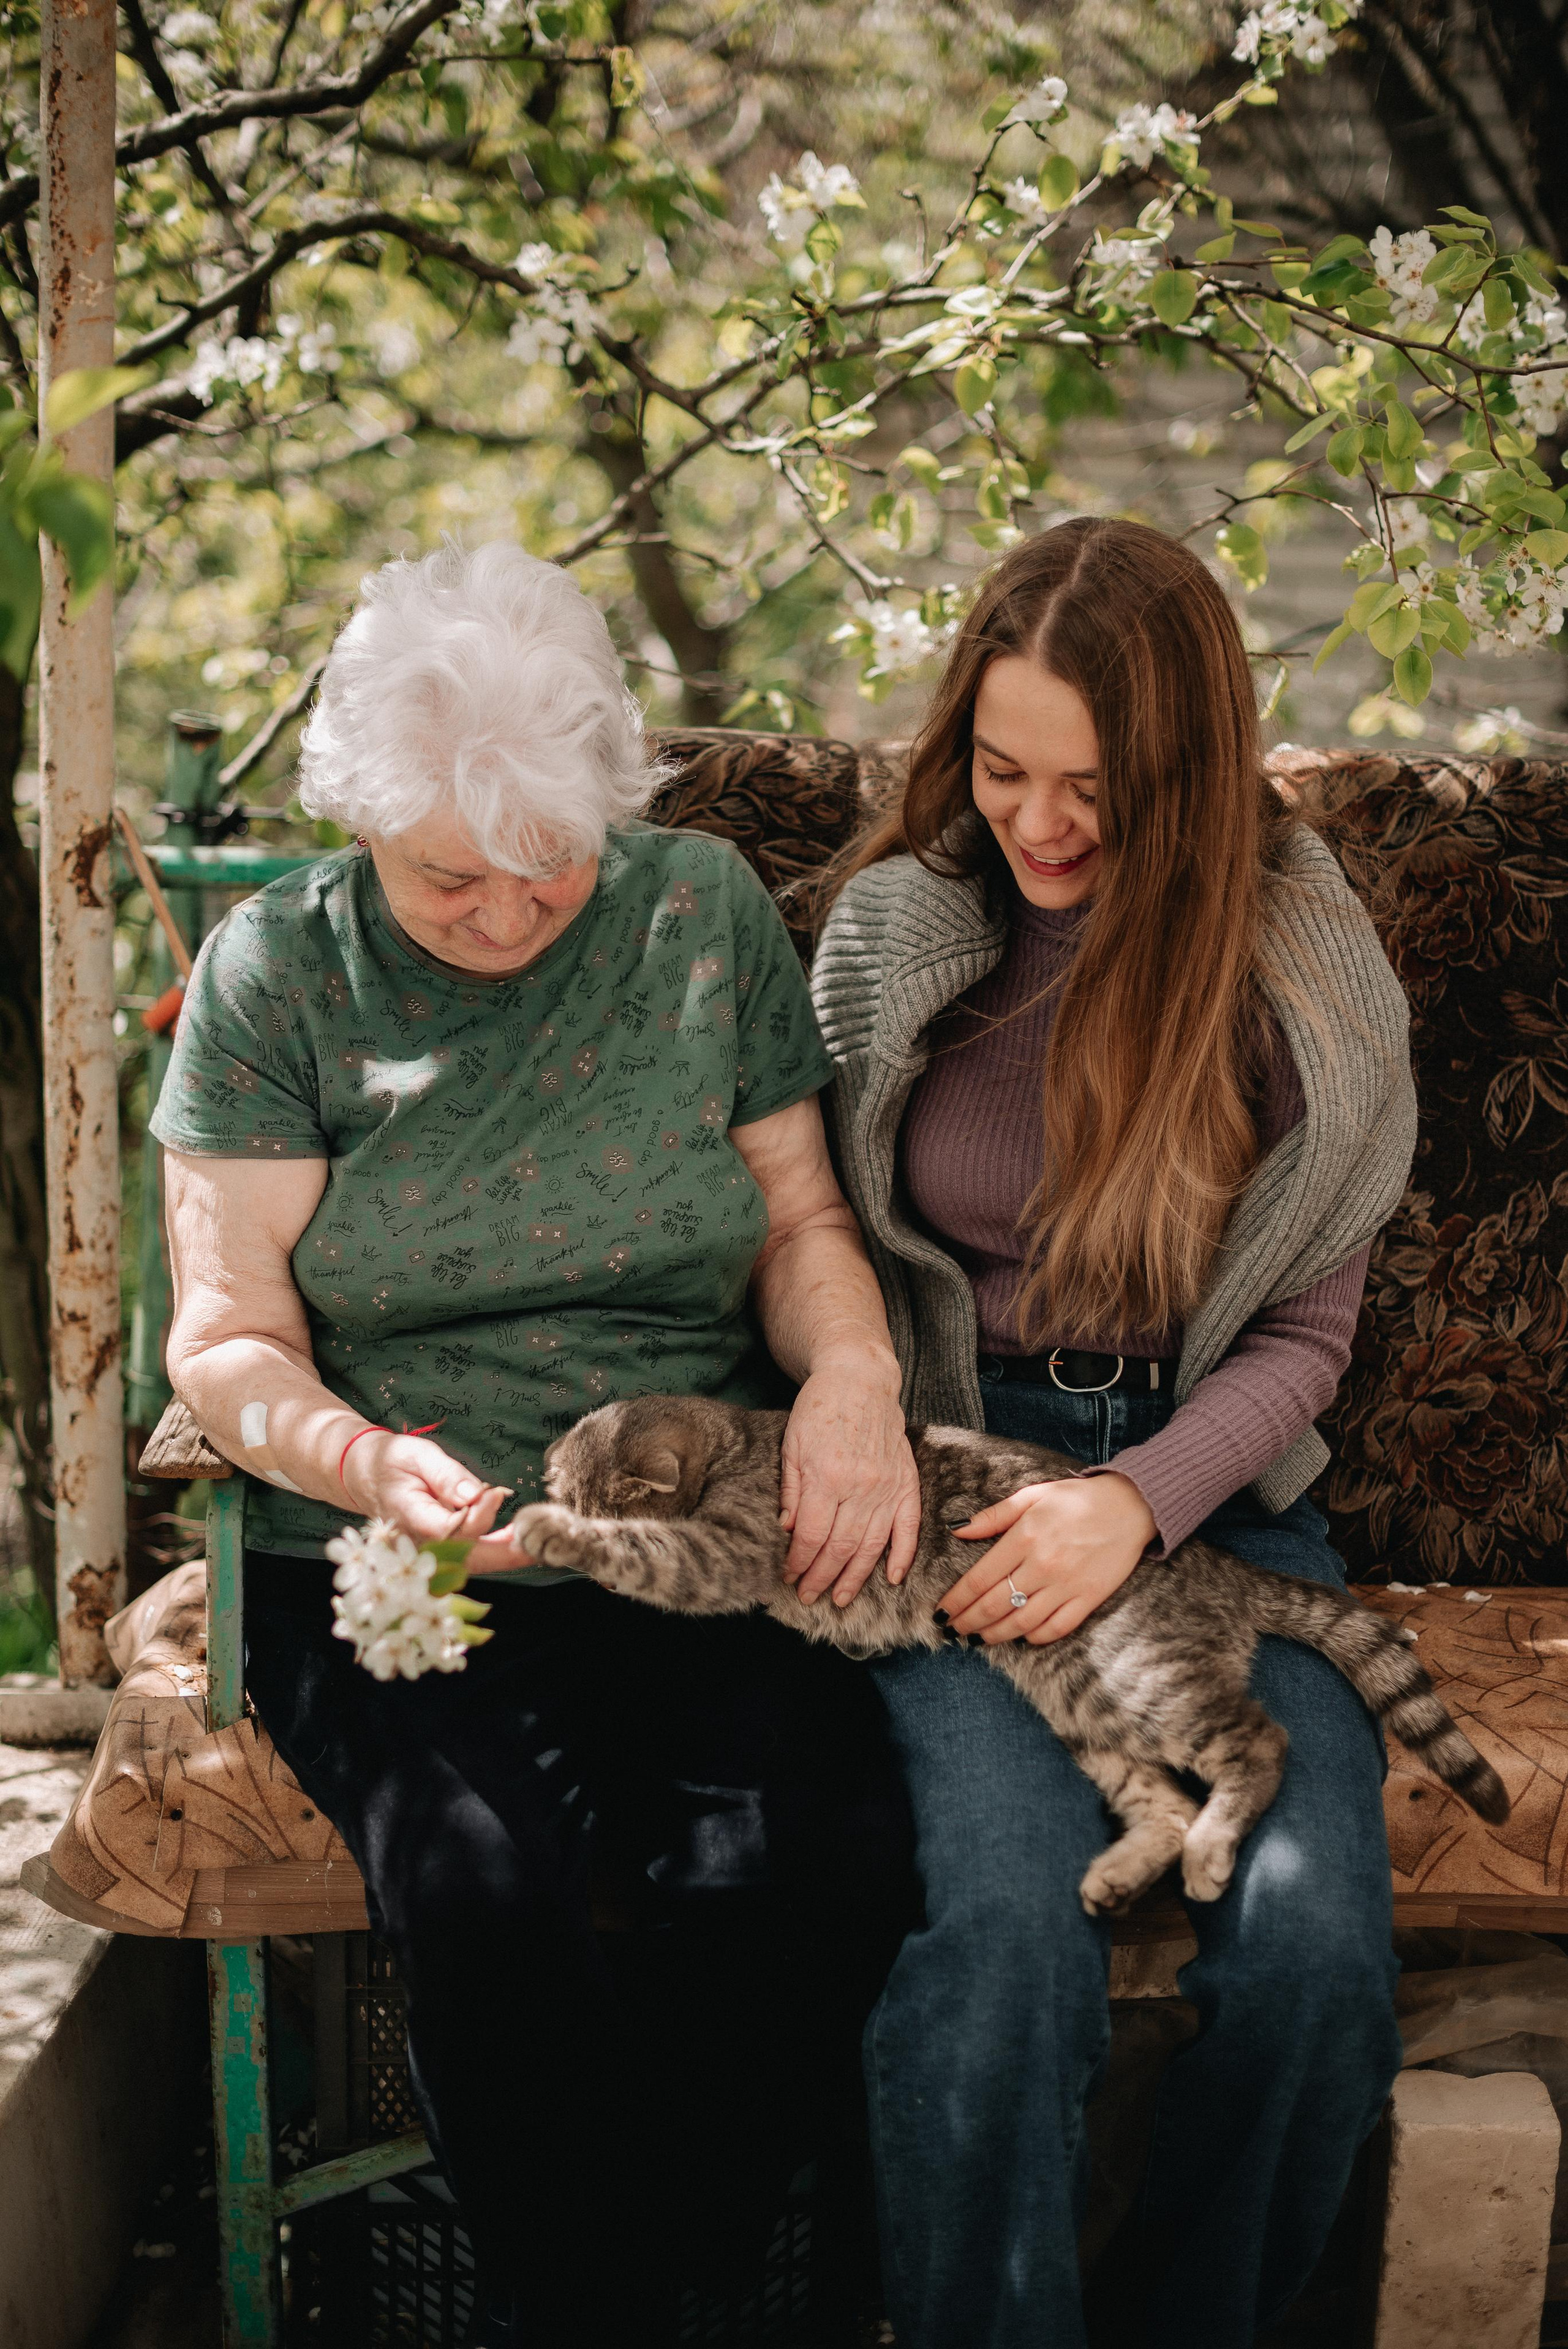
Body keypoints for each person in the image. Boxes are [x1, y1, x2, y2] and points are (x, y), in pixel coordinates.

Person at [153, 541, 921, 2345]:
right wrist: (360, 1462)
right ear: (359, 822)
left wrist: (855, 1378)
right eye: (447, 879)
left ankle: (596, 2308)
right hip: (403, 1552)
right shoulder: (281, 974)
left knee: (818, 1866)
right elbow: (227, 1334)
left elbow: (804, 1227)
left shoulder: (696, 910)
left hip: (679, 1524)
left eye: (548, 864)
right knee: (488, 1900)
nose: (505, 914)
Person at [810, 516, 1419, 2349]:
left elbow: (1310, 1333)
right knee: (1004, 1942)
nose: (1043, 824)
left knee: (1313, 1956)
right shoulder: (905, 932)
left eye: (1097, 787)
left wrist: (1135, 1506)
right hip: (945, 1488)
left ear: (1195, 770)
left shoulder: (1302, 970)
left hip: (1206, 1495)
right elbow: (802, 1219)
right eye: (1003, 771)